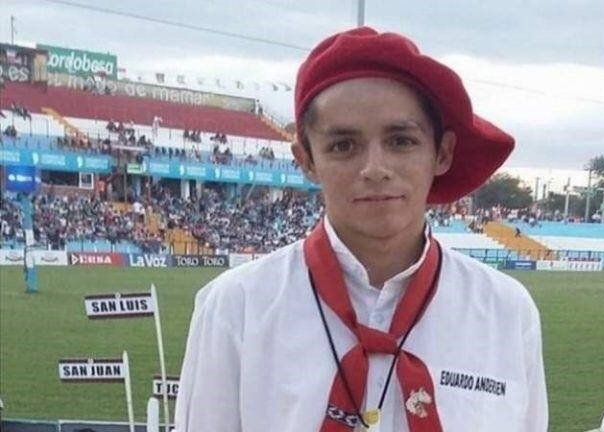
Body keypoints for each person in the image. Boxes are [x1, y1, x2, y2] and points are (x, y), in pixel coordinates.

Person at [175, 27, 547, 432]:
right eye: (343, 146)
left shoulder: (506, 311)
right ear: (307, 160)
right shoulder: (236, 307)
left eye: (401, 141)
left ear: (442, 152)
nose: (375, 169)